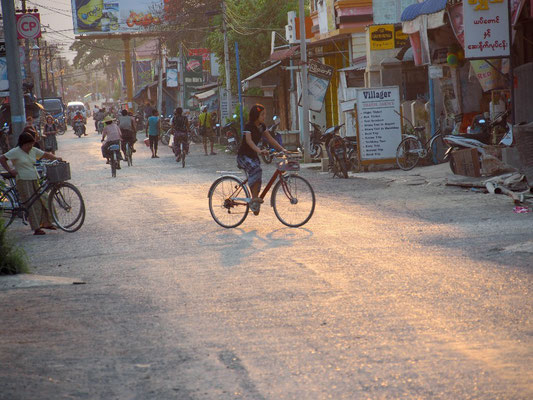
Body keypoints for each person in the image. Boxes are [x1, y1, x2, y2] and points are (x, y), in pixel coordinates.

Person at [0, 130, 63, 235]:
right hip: (23, 180)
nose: (30, 146)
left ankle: (47, 223)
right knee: (32, 204)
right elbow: (2, 158)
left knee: (44, 199)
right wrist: (10, 170)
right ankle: (36, 228)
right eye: (28, 144)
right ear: (23, 144)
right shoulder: (16, 151)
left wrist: (56, 157)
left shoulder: (33, 150)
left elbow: (45, 155)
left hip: (34, 178)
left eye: (31, 144)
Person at [237, 104, 287, 215]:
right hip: (243, 156)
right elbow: (249, 141)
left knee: (258, 174)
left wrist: (282, 149)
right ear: (256, 115)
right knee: (256, 170)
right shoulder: (248, 127)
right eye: (262, 114)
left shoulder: (262, 126)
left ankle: (255, 202)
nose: (264, 116)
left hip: (253, 156)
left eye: (265, 114)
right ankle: (254, 199)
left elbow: (270, 139)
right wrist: (259, 151)